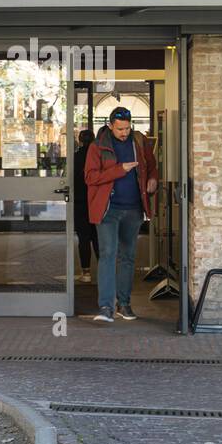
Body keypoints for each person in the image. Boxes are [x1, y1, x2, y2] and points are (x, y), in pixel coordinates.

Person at [83, 107, 159, 323]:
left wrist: (153, 180)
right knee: (108, 255)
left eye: (127, 128)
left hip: (134, 209)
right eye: (120, 129)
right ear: (110, 126)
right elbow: (90, 177)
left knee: (128, 257)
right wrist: (120, 169)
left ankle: (124, 304)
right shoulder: (97, 146)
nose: (124, 133)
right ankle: (106, 306)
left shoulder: (139, 142)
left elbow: (152, 167)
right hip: (109, 209)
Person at [72, 129, 99, 283]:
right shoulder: (97, 156)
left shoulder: (75, 157)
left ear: (80, 141)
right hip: (96, 201)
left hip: (80, 202)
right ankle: (103, 270)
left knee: (83, 238)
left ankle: (86, 273)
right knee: (97, 237)